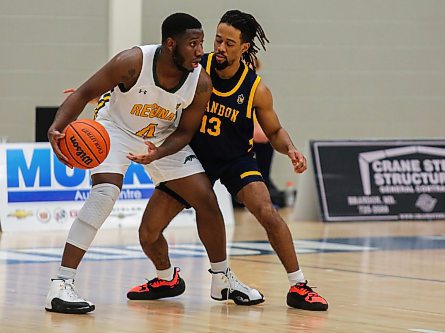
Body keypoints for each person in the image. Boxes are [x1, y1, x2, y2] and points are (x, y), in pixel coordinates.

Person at [45, 12, 263, 315]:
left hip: (162, 138)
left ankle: (221, 278)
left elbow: (185, 131)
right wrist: (57, 127)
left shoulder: (200, 82)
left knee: (206, 199)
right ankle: (61, 283)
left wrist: (157, 154)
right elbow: (84, 93)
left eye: (201, 43)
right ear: (171, 44)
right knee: (105, 194)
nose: (201, 51)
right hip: (115, 132)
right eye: (193, 44)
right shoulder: (132, 61)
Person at [127, 10, 328, 311]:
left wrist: (291, 150)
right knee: (147, 233)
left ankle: (298, 286)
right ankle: (166, 278)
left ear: (244, 47)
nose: (220, 47)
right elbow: (148, 84)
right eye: (218, 40)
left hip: (236, 159)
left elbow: (274, 130)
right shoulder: (195, 67)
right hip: (193, 157)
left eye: (229, 43)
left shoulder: (255, 88)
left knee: (267, 213)